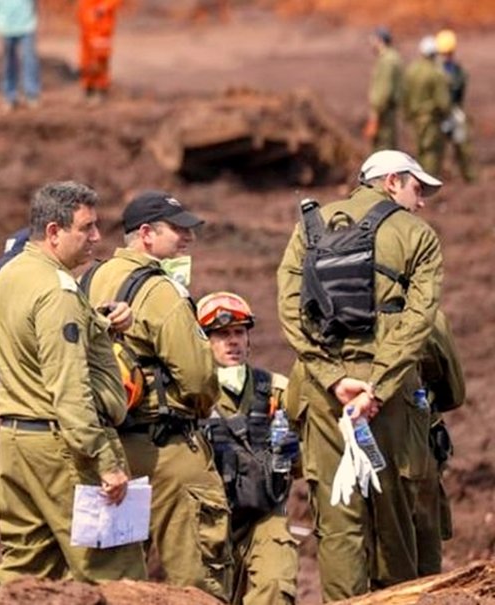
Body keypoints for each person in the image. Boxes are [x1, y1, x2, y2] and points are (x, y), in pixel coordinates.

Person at [276, 149, 443, 599]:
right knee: (395, 517)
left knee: (337, 523)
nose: (421, 200)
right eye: (417, 187)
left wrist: (332, 377)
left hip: (324, 395)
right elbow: (419, 322)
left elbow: (291, 313)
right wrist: (380, 389)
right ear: (391, 182)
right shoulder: (417, 235)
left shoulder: (308, 227)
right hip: (387, 397)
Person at [0, 181, 145, 584]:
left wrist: (101, 325)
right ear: (54, 232)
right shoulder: (57, 293)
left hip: (17, 442)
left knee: (24, 576)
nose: (96, 237)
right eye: (86, 228)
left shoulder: (11, 274)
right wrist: (105, 461)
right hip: (63, 449)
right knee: (112, 570)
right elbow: (69, 386)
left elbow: (37, 349)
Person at [82, 191, 228, 600]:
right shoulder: (160, 290)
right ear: (146, 234)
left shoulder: (87, 280)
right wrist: (199, 407)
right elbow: (198, 377)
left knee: (113, 580)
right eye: (178, 229)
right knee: (198, 577)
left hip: (107, 453)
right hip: (168, 449)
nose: (189, 238)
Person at [195, 292, 299, 605]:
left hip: (264, 514)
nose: (232, 342)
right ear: (203, 341)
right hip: (209, 524)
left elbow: (306, 461)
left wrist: (294, 451)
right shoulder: (189, 396)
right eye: (222, 334)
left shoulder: (277, 389)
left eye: (239, 333)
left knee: (276, 585)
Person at [415, 310, 464, 576]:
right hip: (414, 450)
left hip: (344, 449)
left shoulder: (324, 306)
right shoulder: (427, 316)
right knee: (423, 560)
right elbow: (454, 394)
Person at [401, 36, 451, 177]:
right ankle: (428, 182)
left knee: (418, 150)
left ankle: (416, 181)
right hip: (431, 120)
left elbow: (405, 95)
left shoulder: (411, 70)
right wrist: (446, 117)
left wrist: (407, 115)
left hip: (414, 119)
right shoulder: (436, 73)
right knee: (431, 152)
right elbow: (443, 102)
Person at [0, 0, 40, 112]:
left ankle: (31, 94)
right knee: (8, 63)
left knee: (29, 60)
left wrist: (38, 20)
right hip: (5, 27)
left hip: (27, 25)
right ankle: (9, 96)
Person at [435, 29, 474, 183]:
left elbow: (460, 90)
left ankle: (469, 176)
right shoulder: (434, 70)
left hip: (453, 111)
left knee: (462, 145)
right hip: (439, 113)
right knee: (436, 148)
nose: (446, 57)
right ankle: (435, 177)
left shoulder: (458, 71)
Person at [365, 26, 403, 150]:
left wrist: (375, 114)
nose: (371, 43)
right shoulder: (391, 57)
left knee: (382, 150)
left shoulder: (387, 60)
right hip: (387, 112)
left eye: (373, 39)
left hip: (383, 114)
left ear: (380, 40)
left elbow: (384, 91)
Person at [77, 0, 121, 102]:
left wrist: (103, 7)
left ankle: (102, 87)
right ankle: (88, 87)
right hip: (86, 24)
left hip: (101, 24)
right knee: (86, 58)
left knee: (101, 56)